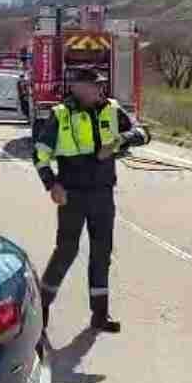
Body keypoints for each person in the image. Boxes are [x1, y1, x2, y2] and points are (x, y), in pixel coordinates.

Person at [32, 68, 150, 333]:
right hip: (71, 195)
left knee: (101, 253)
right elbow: (39, 154)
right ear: (77, 88)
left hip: (102, 194)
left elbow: (143, 133)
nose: (100, 89)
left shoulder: (112, 109)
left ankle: (100, 315)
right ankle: (41, 308)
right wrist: (52, 184)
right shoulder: (60, 114)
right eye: (94, 86)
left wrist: (119, 141)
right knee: (66, 251)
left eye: (101, 85)